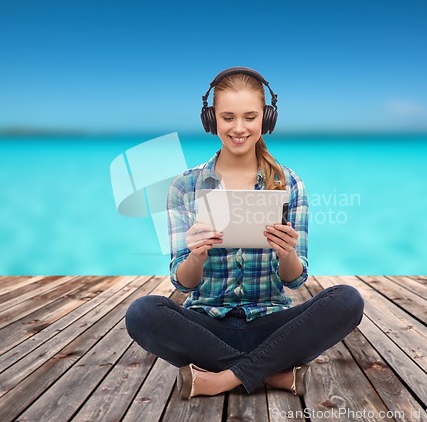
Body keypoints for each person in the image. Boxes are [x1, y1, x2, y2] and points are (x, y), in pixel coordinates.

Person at [125, 67, 364, 399]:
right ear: (212, 120)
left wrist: (288, 254)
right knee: (142, 312)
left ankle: (222, 378)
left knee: (348, 300)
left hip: (272, 326)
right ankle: (270, 374)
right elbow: (183, 283)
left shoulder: (290, 183)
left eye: (250, 117)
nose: (239, 128)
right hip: (206, 326)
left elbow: (295, 280)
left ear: (266, 119)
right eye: (228, 117)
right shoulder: (185, 186)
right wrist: (196, 255)